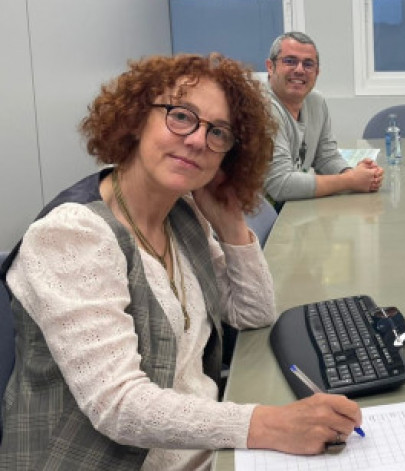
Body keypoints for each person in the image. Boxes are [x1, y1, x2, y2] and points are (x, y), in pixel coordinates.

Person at [0, 53, 362, 469]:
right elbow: (119, 404)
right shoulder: (72, 236)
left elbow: (252, 312)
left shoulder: (182, 215)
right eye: (181, 116)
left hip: (207, 448)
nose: (196, 140)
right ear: (136, 118)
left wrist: (229, 221)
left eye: (218, 133)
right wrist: (270, 424)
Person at [263, 31, 383, 205]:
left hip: (294, 210)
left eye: (308, 64)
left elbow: (326, 157)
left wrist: (356, 175)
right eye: (290, 61)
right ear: (270, 66)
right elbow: (281, 185)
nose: (299, 70)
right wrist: (350, 181)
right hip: (261, 220)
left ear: (317, 72)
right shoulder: (262, 107)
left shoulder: (316, 102)